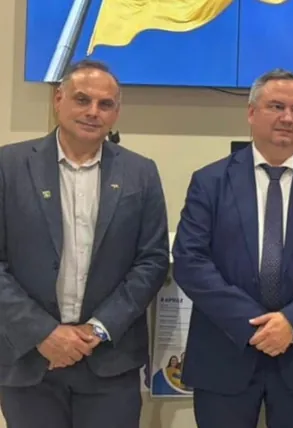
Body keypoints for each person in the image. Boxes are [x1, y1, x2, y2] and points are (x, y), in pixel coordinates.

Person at [172, 69, 293, 428]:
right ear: (251, 112)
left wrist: (292, 323)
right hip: (225, 351)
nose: (288, 118)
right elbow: (190, 261)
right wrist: (254, 326)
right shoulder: (211, 181)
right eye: (276, 106)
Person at [0, 59, 170, 428]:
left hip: (109, 360)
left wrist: (98, 328)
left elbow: (152, 260)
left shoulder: (141, 172)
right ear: (58, 100)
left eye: (105, 104)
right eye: (82, 99)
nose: (93, 112)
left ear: (116, 113)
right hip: (29, 359)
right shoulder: (8, 166)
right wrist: (43, 332)